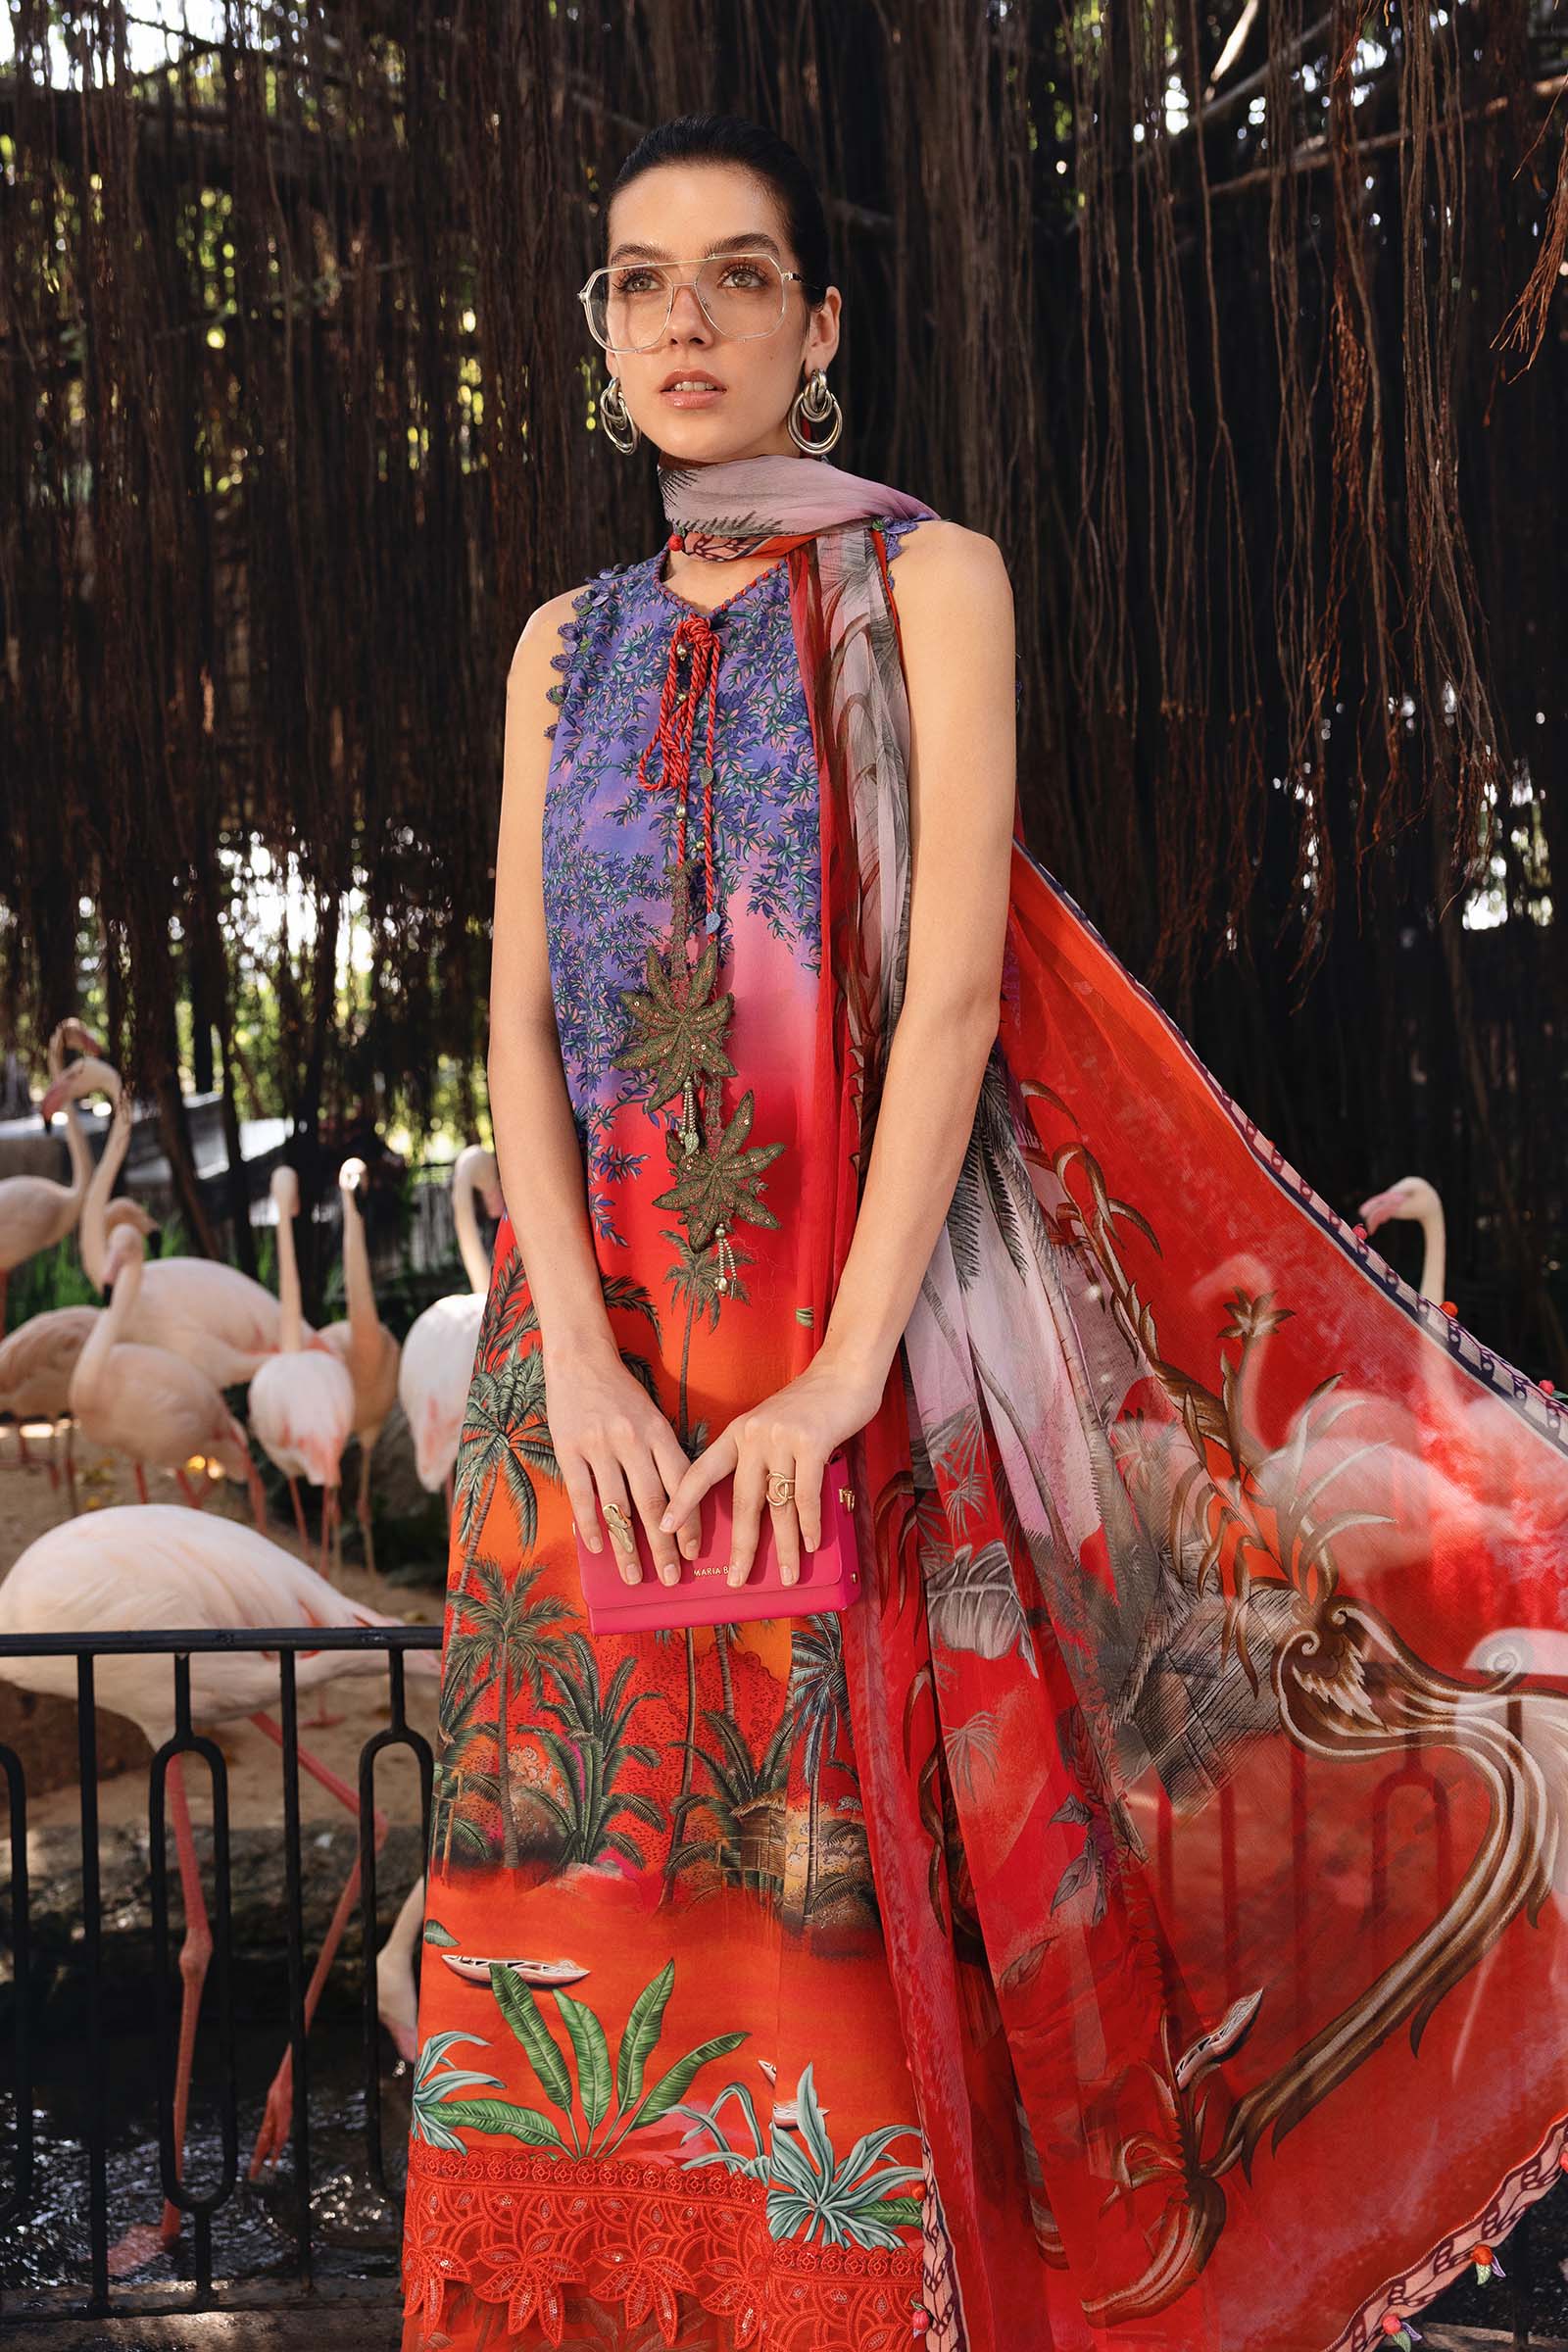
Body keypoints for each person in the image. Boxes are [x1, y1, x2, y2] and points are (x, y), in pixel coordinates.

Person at [401, 113, 1568, 2352]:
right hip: (592, 1391)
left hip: (851, 1357)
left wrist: (838, 1373)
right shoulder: (560, 643)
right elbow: (519, 1025)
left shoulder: (929, 582)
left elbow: (944, 993)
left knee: (843, 1928)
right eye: (637, 282)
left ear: (817, 326)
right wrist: (576, 1370)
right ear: (596, 333)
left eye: (737, 276)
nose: (682, 322)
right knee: (576, 1892)